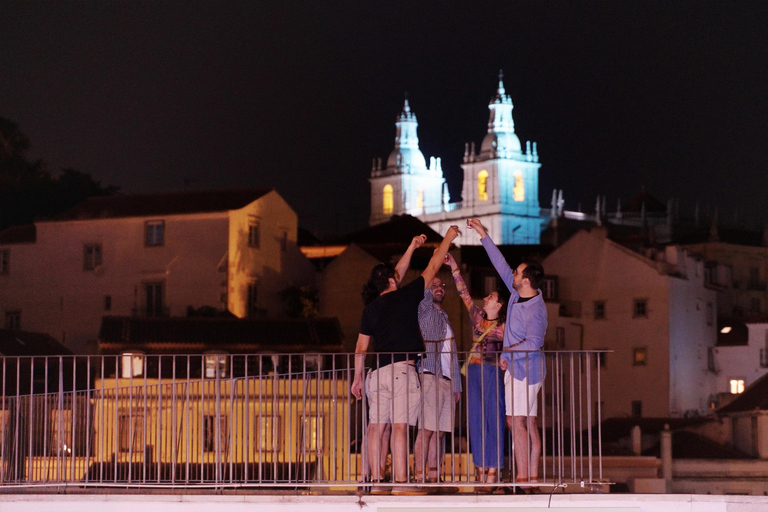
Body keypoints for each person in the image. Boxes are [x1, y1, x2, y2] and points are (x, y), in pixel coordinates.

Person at [351, 226, 460, 495]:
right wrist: (447, 238)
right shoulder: (406, 296)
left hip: (377, 374)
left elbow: (360, 348)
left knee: (376, 427)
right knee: (399, 427)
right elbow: (434, 265)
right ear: (391, 280)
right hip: (402, 370)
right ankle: (401, 482)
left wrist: (356, 378)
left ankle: (377, 483)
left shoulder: (371, 309)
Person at [468, 218, 548, 490]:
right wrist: (482, 234)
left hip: (523, 370)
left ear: (525, 280)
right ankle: (531, 477)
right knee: (529, 422)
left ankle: (524, 477)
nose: (512, 274)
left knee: (516, 422)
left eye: (517, 273)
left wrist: (507, 352)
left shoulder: (535, 309)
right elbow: (500, 264)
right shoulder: (516, 295)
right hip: (521, 369)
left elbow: (534, 342)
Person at [444, 252, 507, 492]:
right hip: (473, 372)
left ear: (499, 304)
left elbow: (512, 346)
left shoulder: (504, 325)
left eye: (490, 296)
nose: (485, 297)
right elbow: (464, 295)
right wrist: (454, 269)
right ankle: (480, 468)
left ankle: (493, 469)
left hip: (492, 372)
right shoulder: (478, 318)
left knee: (494, 418)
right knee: (476, 420)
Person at [413, 274, 461, 491]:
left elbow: (452, 354)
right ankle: (419, 476)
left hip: (446, 379)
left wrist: (457, 386)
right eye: (434, 285)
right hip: (430, 373)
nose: (439, 288)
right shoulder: (424, 310)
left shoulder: (445, 316)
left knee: (440, 431)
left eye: (442, 285)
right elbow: (426, 280)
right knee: (427, 429)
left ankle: (434, 477)